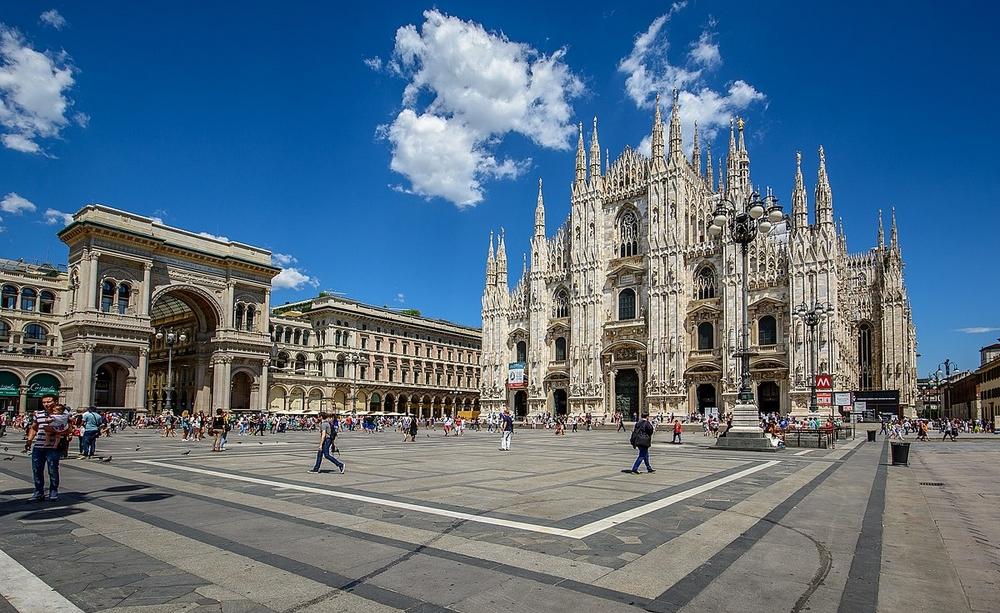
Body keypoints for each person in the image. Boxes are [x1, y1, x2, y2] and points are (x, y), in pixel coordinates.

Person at [25, 395, 68, 501]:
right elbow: (34, 428)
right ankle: (38, 492)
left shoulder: (64, 414)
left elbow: (69, 429)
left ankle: (53, 491)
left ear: (56, 401)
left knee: (53, 469)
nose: (46, 404)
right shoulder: (38, 414)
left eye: (49, 402)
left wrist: (55, 431)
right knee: (37, 470)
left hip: (54, 447)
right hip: (39, 446)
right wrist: (29, 440)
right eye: (44, 402)